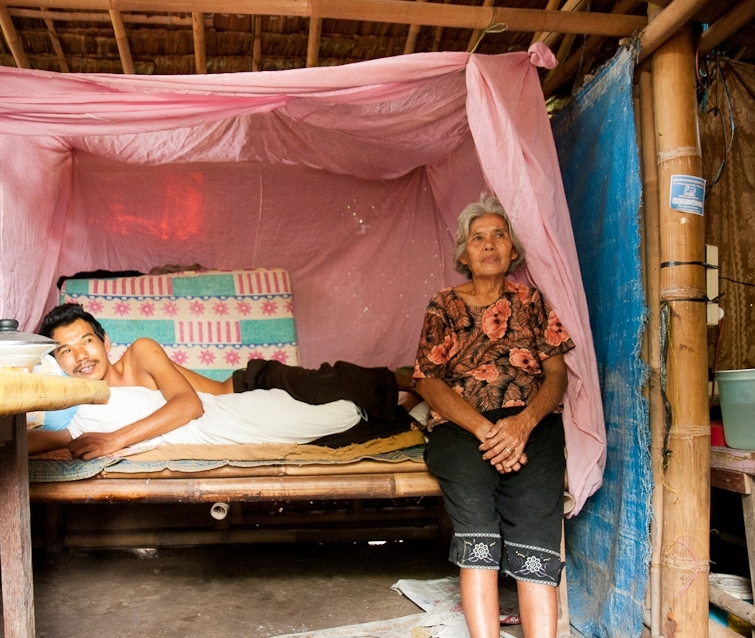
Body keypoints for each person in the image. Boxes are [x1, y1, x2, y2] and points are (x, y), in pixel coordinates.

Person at [412, 194, 574, 638]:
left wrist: (520, 426)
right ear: (463, 253)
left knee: (536, 524)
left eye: (498, 235)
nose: (488, 245)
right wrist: (488, 431)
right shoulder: (443, 304)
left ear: (512, 250)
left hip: (532, 426)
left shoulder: (532, 301)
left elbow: (556, 375)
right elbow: (427, 380)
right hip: (462, 427)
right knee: (478, 523)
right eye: (476, 238)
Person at [29, 303, 421, 458]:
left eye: (86, 341)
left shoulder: (140, 353)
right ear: (56, 361)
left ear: (105, 342)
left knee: (329, 383)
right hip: (235, 407)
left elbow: (189, 405)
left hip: (248, 384)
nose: (80, 356)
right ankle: (410, 413)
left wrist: (115, 441)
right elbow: (57, 438)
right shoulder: (88, 401)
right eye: (65, 351)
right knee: (338, 418)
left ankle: (413, 381)